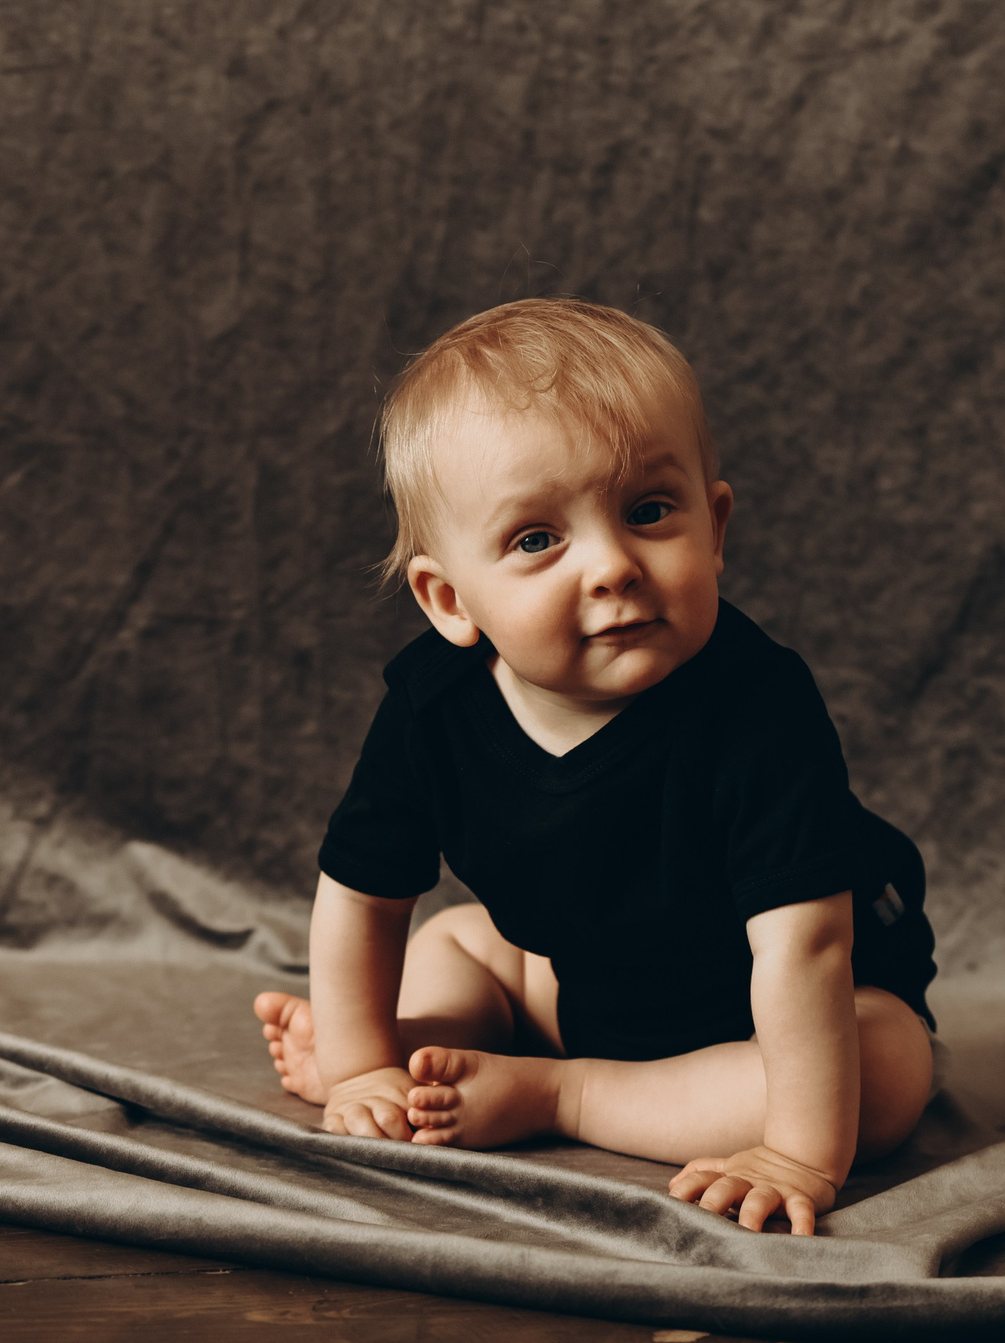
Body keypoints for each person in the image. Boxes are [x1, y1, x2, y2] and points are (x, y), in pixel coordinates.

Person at [253, 298, 937, 1236]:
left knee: (888, 1073)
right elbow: (361, 891)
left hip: (765, 1011)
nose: (613, 565)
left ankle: (556, 1095)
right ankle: (412, 1055)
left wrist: (798, 1151)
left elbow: (805, 947)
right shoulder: (435, 706)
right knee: (457, 941)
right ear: (450, 599)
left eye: (649, 512)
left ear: (717, 526)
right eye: (538, 539)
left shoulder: (757, 707)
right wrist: (362, 1059)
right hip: (575, 978)